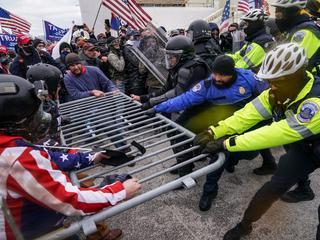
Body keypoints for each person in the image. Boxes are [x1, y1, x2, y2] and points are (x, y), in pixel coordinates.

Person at [193, 43, 320, 239]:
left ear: (298, 75)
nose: (272, 86)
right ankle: (245, 226)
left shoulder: (315, 102)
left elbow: (276, 133)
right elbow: (247, 115)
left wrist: (228, 143)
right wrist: (214, 131)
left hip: (307, 138)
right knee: (271, 189)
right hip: (306, 145)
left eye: (277, 81)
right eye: (270, 81)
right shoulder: (276, 92)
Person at [0, 74, 141, 239]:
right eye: (32, 116)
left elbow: (49, 156)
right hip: (31, 232)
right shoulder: (15, 157)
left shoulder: (11, 146)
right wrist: (120, 191)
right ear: (13, 123)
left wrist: (93, 157)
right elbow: (68, 199)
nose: (38, 120)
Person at [148, 55, 275, 211]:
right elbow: (184, 99)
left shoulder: (249, 78)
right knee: (219, 150)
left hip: (247, 120)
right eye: (215, 73)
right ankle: (210, 190)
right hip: (222, 122)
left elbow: (270, 97)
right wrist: (157, 107)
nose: (217, 78)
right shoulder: (207, 85)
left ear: (232, 72)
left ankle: (254, 162)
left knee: (245, 153)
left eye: (222, 75)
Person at [272, 0, 320, 203]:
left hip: (306, 95)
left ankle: (304, 188)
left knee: (300, 143)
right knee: (293, 142)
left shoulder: (305, 32)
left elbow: (292, 68)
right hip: (297, 93)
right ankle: (301, 183)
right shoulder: (296, 29)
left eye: (280, 13)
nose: (277, 17)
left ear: (293, 11)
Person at [131, 35, 210, 109]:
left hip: (203, 109)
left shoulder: (194, 68)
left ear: (182, 57)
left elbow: (176, 93)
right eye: (168, 57)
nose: (169, 60)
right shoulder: (177, 68)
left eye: (172, 57)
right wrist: (142, 98)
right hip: (189, 106)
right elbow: (165, 89)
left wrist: (151, 104)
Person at [228, 9, 275, 73]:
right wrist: (223, 58)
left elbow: (241, 67)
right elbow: (238, 55)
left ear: (255, 25)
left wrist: (224, 67)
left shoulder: (260, 43)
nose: (244, 27)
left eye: (247, 24)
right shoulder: (254, 41)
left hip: (257, 80)